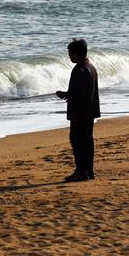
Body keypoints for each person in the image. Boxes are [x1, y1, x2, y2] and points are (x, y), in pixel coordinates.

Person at [55, 38, 100, 182]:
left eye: (70, 54)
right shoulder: (91, 67)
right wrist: (69, 94)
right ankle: (88, 171)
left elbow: (79, 94)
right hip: (90, 111)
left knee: (77, 140)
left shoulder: (79, 69)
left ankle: (81, 171)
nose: (69, 57)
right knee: (87, 141)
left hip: (80, 113)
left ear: (76, 54)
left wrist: (65, 94)